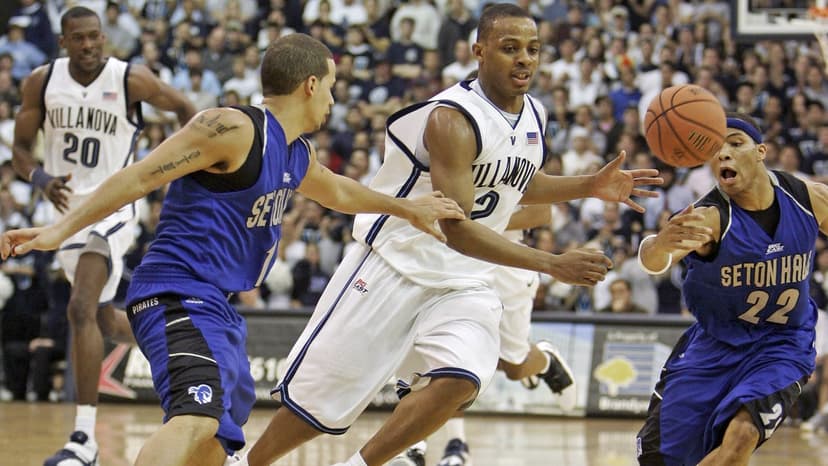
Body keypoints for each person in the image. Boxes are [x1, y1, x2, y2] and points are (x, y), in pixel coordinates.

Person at [1, 32, 465, 466]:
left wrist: (406, 207)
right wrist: (60, 230)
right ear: (309, 84)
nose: (333, 97)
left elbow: (338, 193)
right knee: (196, 415)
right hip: (175, 292)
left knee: (220, 432)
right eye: (331, 86)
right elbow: (140, 175)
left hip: (216, 308)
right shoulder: (231, 128)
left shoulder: (296, 151)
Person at [241, 5, 662, 466]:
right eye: (510, 48)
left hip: (465, 278)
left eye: (533, 50)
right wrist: (551, 262)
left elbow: (518, 180)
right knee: (315, 404)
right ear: (479, 52)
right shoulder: (452, 119)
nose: (524, 59)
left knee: (464, 377)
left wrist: (590, 186)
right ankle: (250, 463)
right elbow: (456, 229)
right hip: (395, 261)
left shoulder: (534, 114)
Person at [11, 7, 196, 466]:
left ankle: (83, 440)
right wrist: (38, 178)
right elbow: (18, 148)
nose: (90, 46)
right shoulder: (40, 82)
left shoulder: (130, 78)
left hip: (115, 205)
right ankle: (186, 351)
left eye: (96, 37)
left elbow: (188, 111)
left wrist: (181, 171)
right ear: (63, 42)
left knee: (79, 308)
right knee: (105, 320)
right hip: (66, 214)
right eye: (80, 38)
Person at [636, 113, 826, 465]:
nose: (723, 153)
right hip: (714, 348)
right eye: (714, 149)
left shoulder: (808, 198)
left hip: (782, 345)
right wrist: (660, 243)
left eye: (735, 143)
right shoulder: (710, 217)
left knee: (738, 444)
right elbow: (653, 261)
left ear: (761, 151)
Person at [396, 204, 579, 466]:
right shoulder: (444, 165)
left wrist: (483, 226)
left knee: (515, 366)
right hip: (458, 259)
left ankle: (546, 360)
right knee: (448, 354)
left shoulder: (523, 163)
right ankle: (444, 445)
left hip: (508, 263)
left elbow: (541, 213)